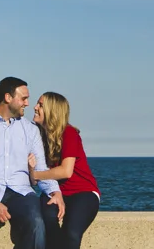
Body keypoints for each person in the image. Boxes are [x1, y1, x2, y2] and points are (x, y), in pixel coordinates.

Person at [0, 77, 65, 249]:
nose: (28, 103)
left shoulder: (30, 130)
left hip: (20, 191)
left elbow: (41, 168)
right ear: (8, 98)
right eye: (23, 98)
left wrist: (54, 191)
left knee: (37, 223)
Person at [27, 92, 100, 249]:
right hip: (55, 192)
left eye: (40, 105)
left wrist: (35, 174)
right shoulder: (37, 136)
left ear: (52, 111)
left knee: (71, 233)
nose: (35, 107)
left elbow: (66, 171)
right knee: (47, 226)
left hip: (83, 193)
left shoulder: (69, 133)